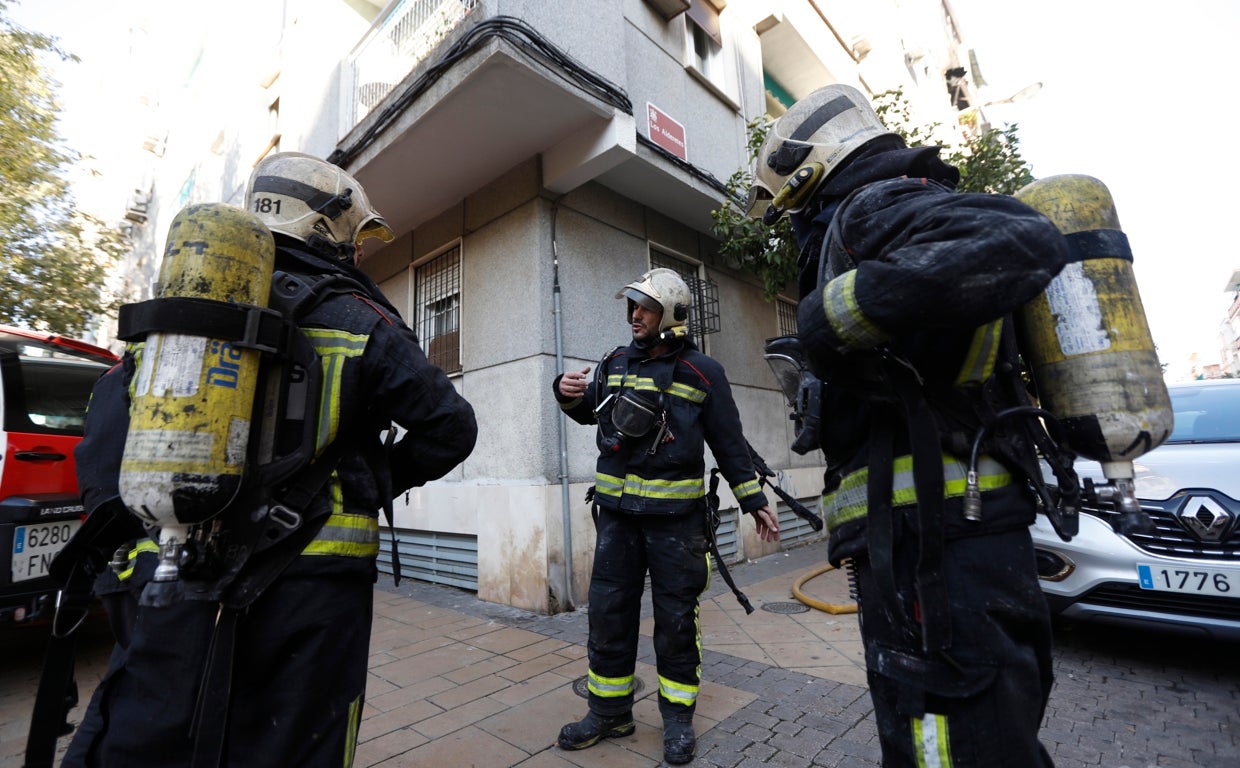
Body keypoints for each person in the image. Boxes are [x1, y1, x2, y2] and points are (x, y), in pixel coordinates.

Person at [61, 152, 478, 768]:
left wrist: (135, 544)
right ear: (324, 229)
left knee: (154, 738)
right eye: (354, 238)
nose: (358, 254)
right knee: (297, 742)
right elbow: (452, 427)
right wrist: (372, 481)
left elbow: (103, 426)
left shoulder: (186, 310)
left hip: (168, 573)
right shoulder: (356, 317)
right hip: (311, 584)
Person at [746, 84, 1072, 767]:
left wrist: (829, 317)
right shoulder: (887, 208)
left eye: (792, 205)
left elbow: (1022, 238)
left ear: (814, 172)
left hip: (940, 549)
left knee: (949, 748)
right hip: (931, 546)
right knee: (964, 740)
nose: (795, 223)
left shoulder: (873, 202)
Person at [552, 267, 780, 765]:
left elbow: (729, 442)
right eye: (632, 306)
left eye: (646, 308)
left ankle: (677, 718)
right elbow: (589, 410)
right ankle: (609, 711)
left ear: (671, 315)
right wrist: (566, 391)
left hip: (676, 524)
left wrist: (754, 500)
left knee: (677, 620)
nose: (634, 315)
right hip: (616, 519)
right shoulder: (613, 362)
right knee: (609, 616)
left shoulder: (703, 372)